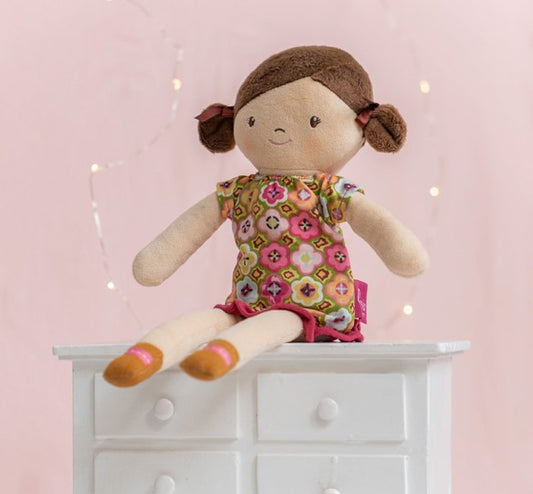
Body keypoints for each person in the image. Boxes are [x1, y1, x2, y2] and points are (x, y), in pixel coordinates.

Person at [103, 45, 428, 386]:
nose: (277, 132)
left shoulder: (328, 191)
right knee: (212, 319)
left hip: (312, 304)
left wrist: (400, 252)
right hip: (248, 299)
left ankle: (221, 355)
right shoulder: (239, 190)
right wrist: (156, 261)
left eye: (313, 121)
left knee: (280, 322)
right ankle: (147, 353)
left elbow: (377, 226)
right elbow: (189, 228)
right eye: (253, 121)